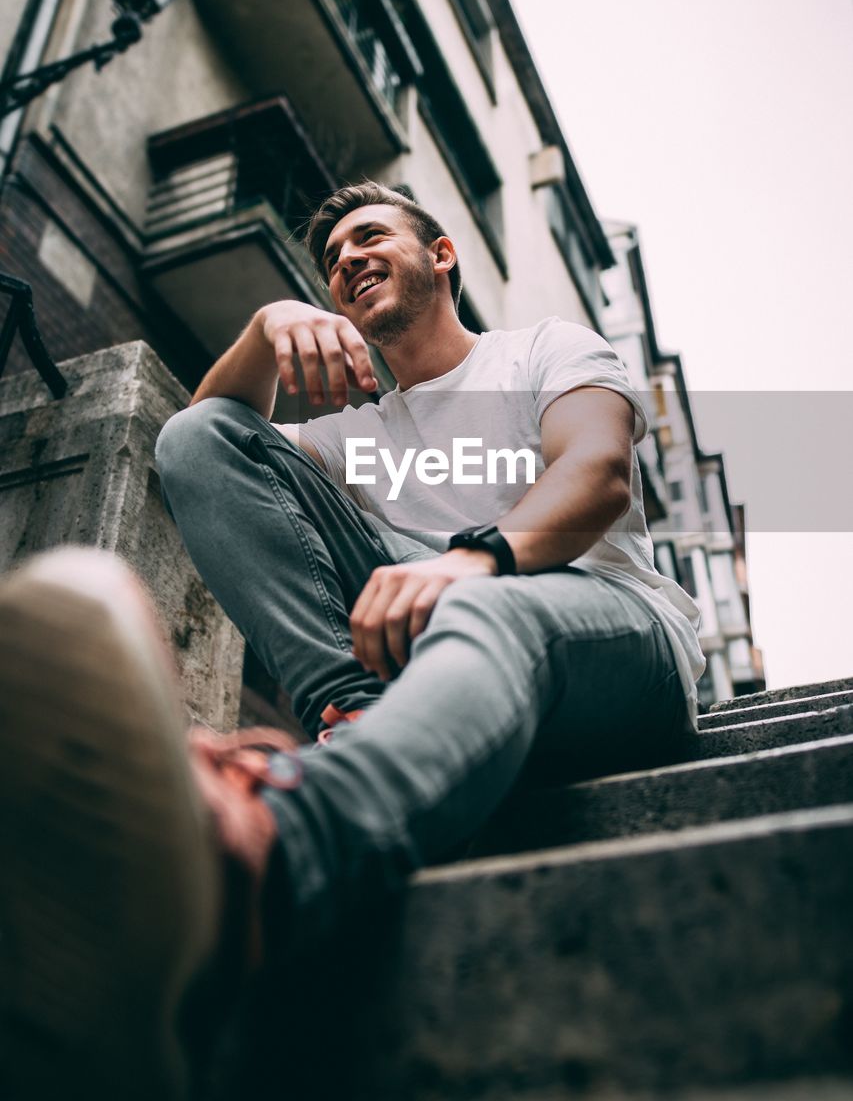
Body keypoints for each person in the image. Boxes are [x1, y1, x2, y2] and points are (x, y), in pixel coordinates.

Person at [0, 181, 703, 1098]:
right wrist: (264, 328)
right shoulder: (359, 433)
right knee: (204, 433)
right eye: (331, 262)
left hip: (613, 635)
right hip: (456, 654)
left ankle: (271, 862)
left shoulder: (541, 348)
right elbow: (201, 450)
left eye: (371, 237)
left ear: (441, 253)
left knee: (485, 606)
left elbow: (597, 471)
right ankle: (356, 716)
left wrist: (474, 561)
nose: (348, 262)